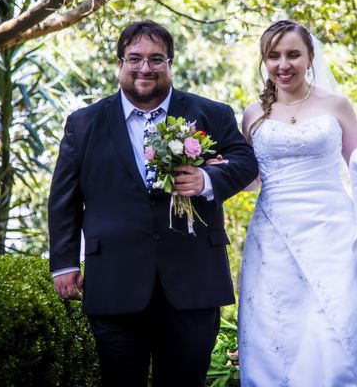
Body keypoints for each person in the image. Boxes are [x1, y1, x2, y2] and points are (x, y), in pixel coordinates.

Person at [47, 20, 258, 387]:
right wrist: (63, 262)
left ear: (170, 64)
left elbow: (245, 162)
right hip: (114, 281)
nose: (145, 68)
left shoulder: (211, 114)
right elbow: (65, 198)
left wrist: (207, 180)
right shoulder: (84, 124)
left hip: (193, 280)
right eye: (135, 58)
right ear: (120, 64)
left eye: (156, 59)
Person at [236, 20, 357, 386]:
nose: (284, 64)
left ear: (310, 57)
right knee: (276, 329)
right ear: (264, 61)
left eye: (293, 54)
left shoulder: (336, 104)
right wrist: (216, 170)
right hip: (272, 238)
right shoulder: (252, 114)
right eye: (273, 56)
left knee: (333, 326)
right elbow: (253, 179)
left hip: (333, 232)